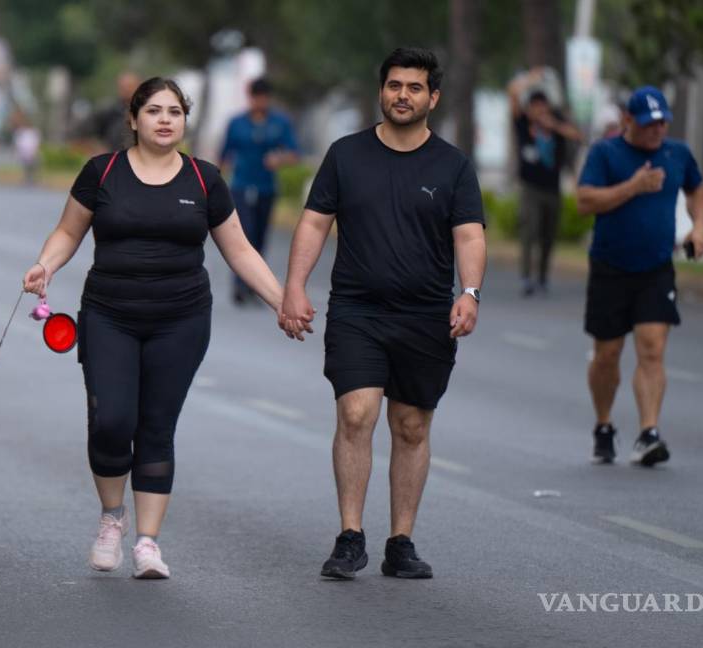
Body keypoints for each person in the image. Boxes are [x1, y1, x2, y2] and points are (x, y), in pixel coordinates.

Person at [21, 77, 289, 580]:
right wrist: (45, 266)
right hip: (109, 315)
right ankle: (111, 518)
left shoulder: (204, 180)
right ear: (133, 119)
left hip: (181, 320)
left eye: (175, 112)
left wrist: (282, 301)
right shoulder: (103, 173)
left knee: (156, 427)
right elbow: (68, 230)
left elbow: (239, 249)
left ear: (184, 121)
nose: (165, 120)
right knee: (111, 421)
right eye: (154, 111)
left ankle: (147, 543)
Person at [280, 47, 486, 580]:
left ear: (432, 98)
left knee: (412, 425)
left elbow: (469, 234)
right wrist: (294, 288)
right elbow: (312, 224)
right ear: (381, 91)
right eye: (395, 85)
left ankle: (401, 541)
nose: (403, 95)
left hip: (424, 315)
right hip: (357, 308)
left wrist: (470, 292)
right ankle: (350, 537)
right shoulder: (346, 155)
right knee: (356, 415)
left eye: (414, 87)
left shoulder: (452, 166)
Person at [575, 86, 703, 467]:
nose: (657, 130)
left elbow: (697, 190)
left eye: (662, 122)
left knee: (652, 347)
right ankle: (603, 425)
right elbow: (584, 201)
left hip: (656, 269)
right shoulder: (606, 152)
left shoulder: (677, 153)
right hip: (610, 268)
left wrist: (699, 228)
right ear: (629, 121)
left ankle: (649, 432)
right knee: (608, 354)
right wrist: (634, 186)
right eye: (649, 124)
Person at [219, 77, 300, 305]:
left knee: (261, 237)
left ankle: (254, 286)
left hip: (266, 187)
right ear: (250, 97)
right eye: (257, 97)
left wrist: (279, 158)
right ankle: (239, 285)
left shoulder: (280, 122)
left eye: (264, 98)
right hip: (241, 186)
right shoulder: (236, 123)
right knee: (245, 234)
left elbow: (294, 153)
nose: (260, 102)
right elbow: (224, 155)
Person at [507, 70, 582, 296]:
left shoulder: (556, 123)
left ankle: (542, 277)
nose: (540, 110)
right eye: (535, 106)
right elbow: (512, 93)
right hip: (530, 187)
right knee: (529, 231)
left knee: (548, 235)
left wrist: (553, 125)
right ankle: (526, 278)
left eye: (543, 106)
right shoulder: (522, 124)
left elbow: (577, 135)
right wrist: (533, 76)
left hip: (553, 187)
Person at [75, 71, 139, 153]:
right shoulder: (108, 111)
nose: (127, 90)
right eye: (123, 87)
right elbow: (82, 134)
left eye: (130, 86)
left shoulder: (147, 112)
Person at [13, 115, 41, 185]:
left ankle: (33, 179)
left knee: (34, 166)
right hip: (24, 153)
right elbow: (18, 143)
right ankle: (26, 179)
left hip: (32, 152)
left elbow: (36, 142)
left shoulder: (34, 132)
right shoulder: (21, 132)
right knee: (26, 167)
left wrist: (33, 150)